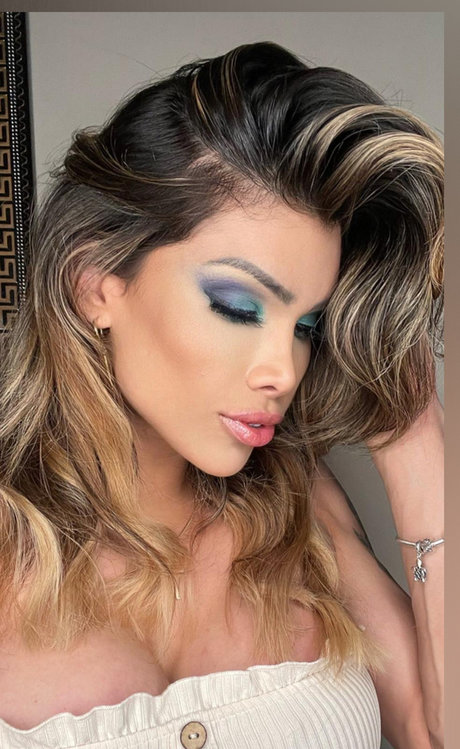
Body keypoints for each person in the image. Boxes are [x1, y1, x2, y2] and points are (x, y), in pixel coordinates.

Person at [0, 41, 443, 749]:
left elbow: (437, 731)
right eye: (238, 307)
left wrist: (410, 431)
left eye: (306, 325)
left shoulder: (300, 509)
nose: (284, 371)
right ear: (95, 284)